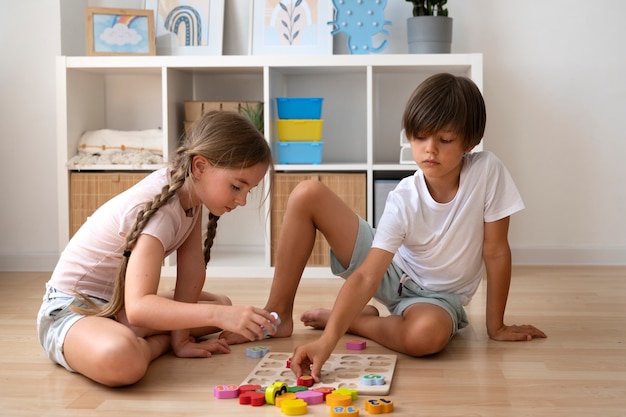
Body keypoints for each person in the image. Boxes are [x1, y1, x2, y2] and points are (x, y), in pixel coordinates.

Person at [220, 73, 547, 381]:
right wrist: (328, 343)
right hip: (390, 269)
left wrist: (496, 327)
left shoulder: (488, 172)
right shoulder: (404, 196)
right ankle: (278, 316)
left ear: (470, 142)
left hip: (437, 299)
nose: (429, 148)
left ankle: (360, 324)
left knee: (426, 337)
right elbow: (367, 274)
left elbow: (496, 250)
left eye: (444, 139)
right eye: (419, 137)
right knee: (307, 193)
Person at [37, 111, 279, 387]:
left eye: (249, 190)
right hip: (72, 311)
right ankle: (148, 345)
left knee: (221, 303)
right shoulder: (161, 209)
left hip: (117, 308)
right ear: (200, 167)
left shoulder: (189, 194)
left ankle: (143, 336)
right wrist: (215, 319)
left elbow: (190, 275)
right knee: (123, 359)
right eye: (237, 186)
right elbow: (140, 309)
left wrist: (183, 339)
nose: (242, 200)